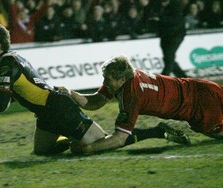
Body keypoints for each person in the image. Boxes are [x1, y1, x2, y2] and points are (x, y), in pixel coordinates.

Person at [0, 23, 108, 156]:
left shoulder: (6, 64)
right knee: (42, 151)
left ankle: (123, 137)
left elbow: (1, 105)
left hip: (58, 108)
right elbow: (24, 90)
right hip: (45, 113)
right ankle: (74, 140)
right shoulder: (13, 57)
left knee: (101, 142)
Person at [63, 55, 222, 154]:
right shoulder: (125, 77)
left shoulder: (132, 96)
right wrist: (72, 94)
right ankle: (157, 131)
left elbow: (119, 139)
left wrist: (86, 149)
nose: (104, 82)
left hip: (200, 106)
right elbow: (95, 102)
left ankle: (156, 131)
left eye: (108, 79)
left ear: (122, 80)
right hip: (202, 87)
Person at [153, 0, 187, 77]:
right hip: (166, 35)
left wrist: (160, 20)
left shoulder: (176, 7)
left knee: (169, 57)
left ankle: (163, 78)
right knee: (168, 58)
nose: (162, 3)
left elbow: (176, 21)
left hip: (175, 35)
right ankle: (184, 78)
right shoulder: (161, 6)